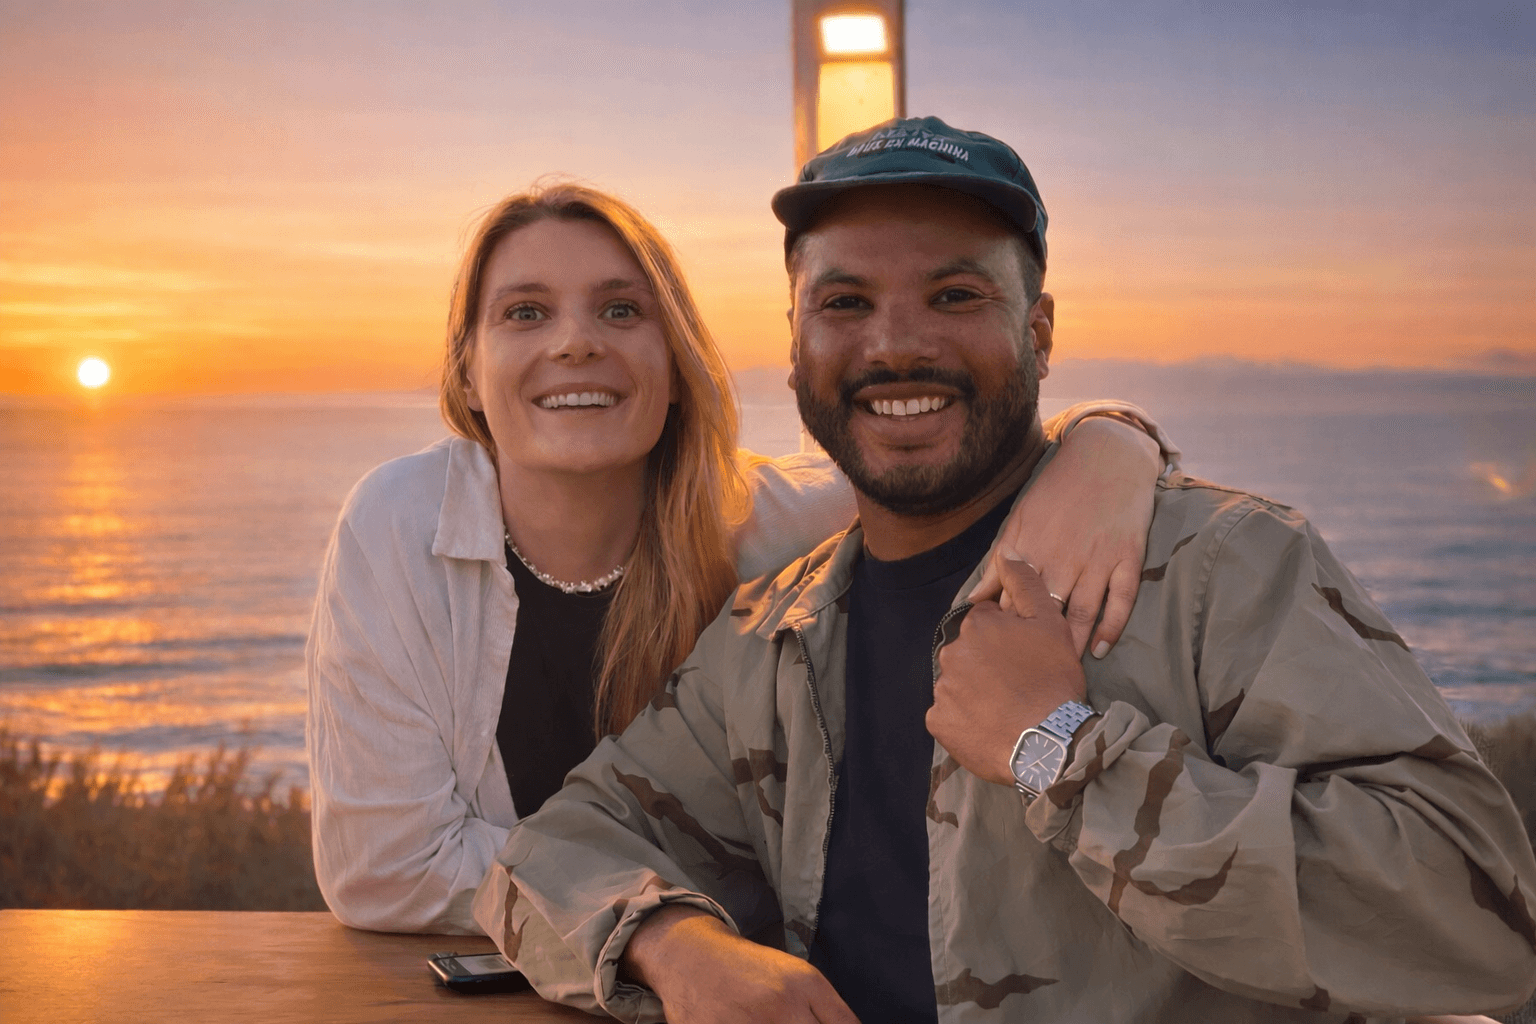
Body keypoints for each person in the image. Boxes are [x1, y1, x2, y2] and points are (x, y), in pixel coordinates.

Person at [474, 120, 1536, 1022]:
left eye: (953, 295)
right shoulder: (775, 636)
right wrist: (672, 941)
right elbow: (557, 846)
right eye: (844, 303)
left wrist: (1061, 756)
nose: (896, 345)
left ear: (1039, 330)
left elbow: (1481, 906)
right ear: (793, 351)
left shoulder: (1221, 572)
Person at [305, 180, 1176, 935]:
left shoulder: (775, 526)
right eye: (524, 312)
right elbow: (386, 872)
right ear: (465, 374)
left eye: (620, 310)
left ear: (677, 363)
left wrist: (1110, 441)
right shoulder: (401, 524)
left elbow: (970, 454)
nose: (575, 342)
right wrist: (662, 925)